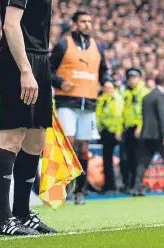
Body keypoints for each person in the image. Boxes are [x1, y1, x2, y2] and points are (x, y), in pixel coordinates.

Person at [0, 0, 60, 236]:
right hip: (22, 62)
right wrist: (26, 71)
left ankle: (22, 213)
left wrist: (39, 70)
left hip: (39, 61)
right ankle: (2, 220)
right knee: (13, 136)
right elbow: (10, 25)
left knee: (36, 139)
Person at [50, 10, 113, 205]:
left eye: (90, 21)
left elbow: (104, 72)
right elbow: (47, 70)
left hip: (89, 104)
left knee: (83, 147)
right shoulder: (63, 45)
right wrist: (60, 83)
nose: (87, 24)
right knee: (67, 144)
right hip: (67, 102)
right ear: (75, 24)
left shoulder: (98, 48)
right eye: (83, 21)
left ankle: (80, 190)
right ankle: (60, 187)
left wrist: (108, 81)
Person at [119, 68, 150, 193]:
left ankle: (137, 184)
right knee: (127, 158)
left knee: (138, 158)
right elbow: (122, 112)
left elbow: (145, 112)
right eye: (130, 78)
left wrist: (140, 127)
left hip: (139, 128)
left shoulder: (144, 92)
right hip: (127, 128)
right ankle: (129, 184)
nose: (132, 80)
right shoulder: (125, 93)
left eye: (134, 78)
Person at [95, 82, 124, 194]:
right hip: (105, 131)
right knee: (107, 159)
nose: (107, 90)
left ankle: (115, 185)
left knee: (117, 158)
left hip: (115, 131)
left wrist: (118, 131)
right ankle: (109, 185)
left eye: (109, 88)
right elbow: (99, 115)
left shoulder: (116, 99)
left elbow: (119, 115)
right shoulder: (102, 99)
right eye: (106, 87)